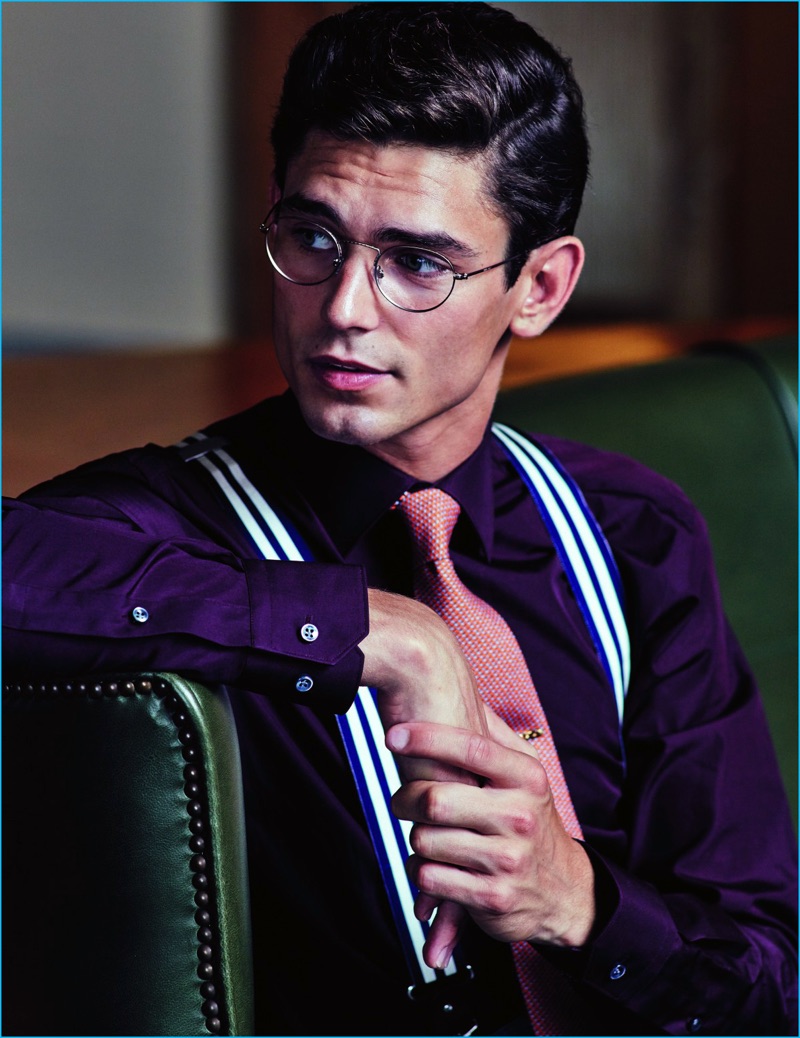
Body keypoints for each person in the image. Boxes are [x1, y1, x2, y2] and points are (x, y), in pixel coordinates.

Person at [3, 4, 796, 1035]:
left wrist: (576, 903)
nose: (343, 307)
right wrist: (374, 628)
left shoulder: (629, 533)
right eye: (312, 237)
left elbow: (762, 977)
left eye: (417, 263)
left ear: (540, 287)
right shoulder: (167, 523)